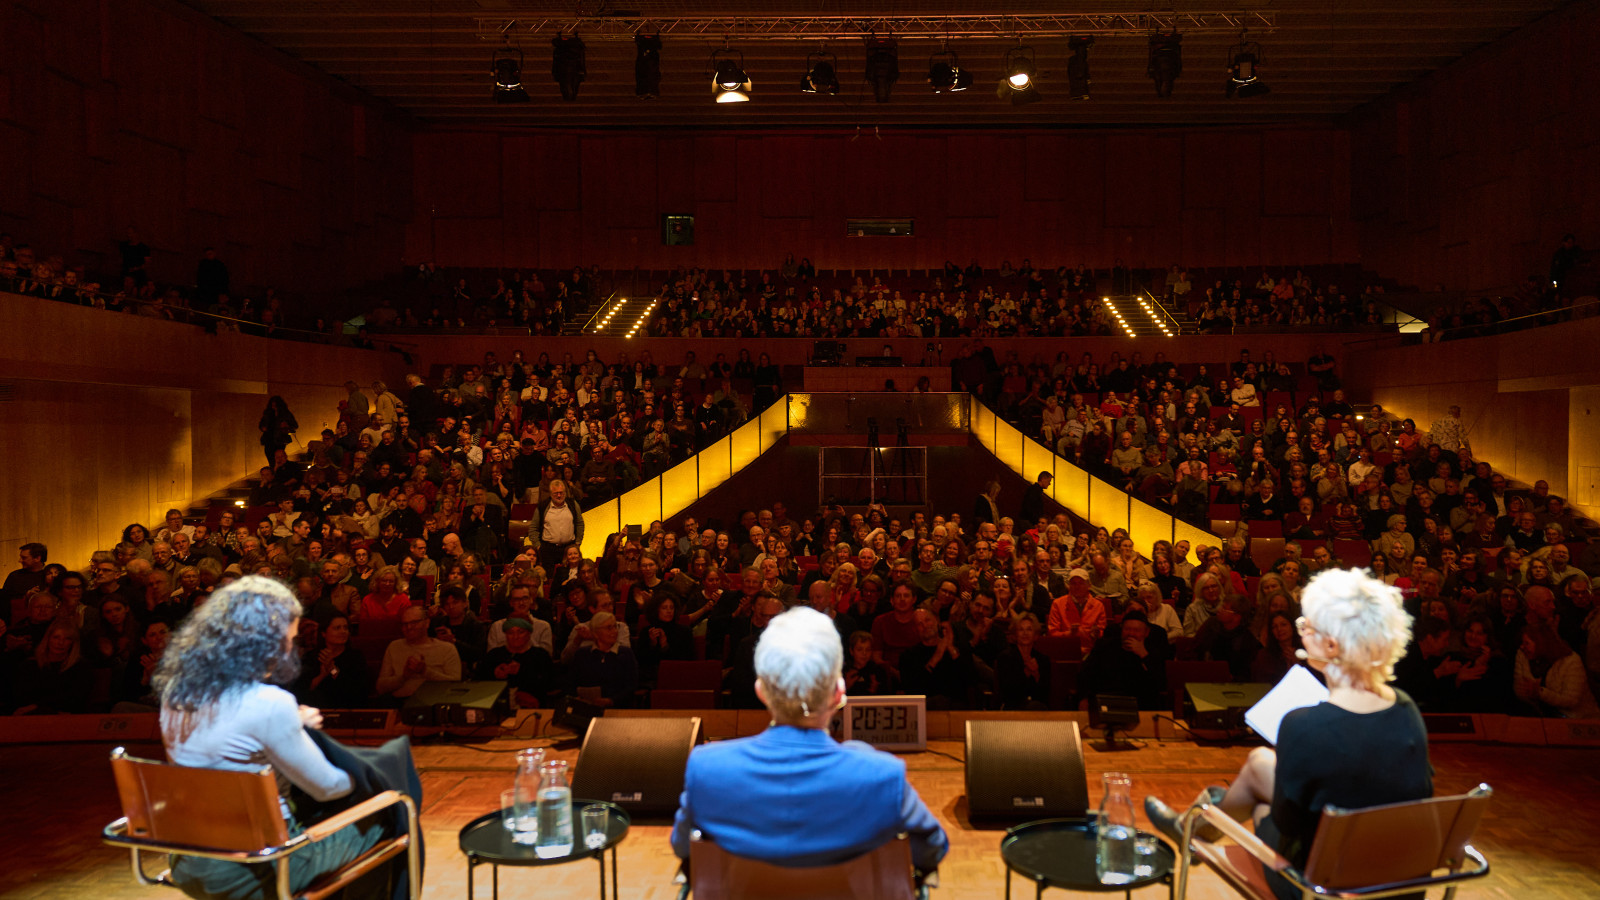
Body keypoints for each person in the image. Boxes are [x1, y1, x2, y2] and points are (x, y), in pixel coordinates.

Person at [1144, 569, 1431, 900]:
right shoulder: (1407, 709)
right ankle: (1202, 818)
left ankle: (1202, 822)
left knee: (1258, 804)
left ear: (1332, 644)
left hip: (1319, 885)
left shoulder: (1303, 723)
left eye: (1308, 625)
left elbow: (1287, 822)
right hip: (1398, 884)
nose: (1301, 630)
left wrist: (1263, 798)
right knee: (1259, 760)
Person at [154, 577, 390, 900]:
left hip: (188, 861)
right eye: (288, 639)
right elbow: (328, 788)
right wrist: (372, 775)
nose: (288, 649)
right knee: (387, 816)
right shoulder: (270, 703)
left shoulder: (176, 693)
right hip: (260, 863)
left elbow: (227, 739)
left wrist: (291, 722)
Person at [671, 607, 948, 872]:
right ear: (839, 692)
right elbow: (932, 849)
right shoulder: (883, 774)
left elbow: (683, 847)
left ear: (761, 691)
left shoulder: (707, 768)